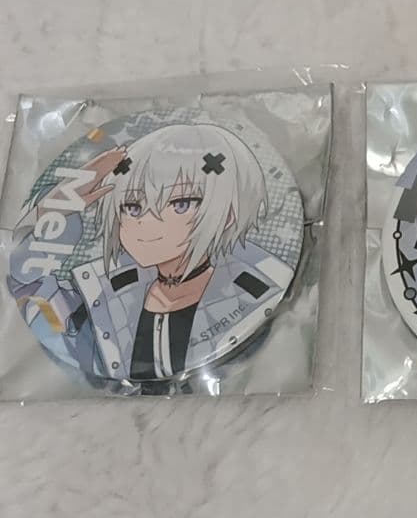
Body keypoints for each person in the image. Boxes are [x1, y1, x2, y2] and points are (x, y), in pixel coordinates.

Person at [8, 123, 292, 381]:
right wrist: (57, 210)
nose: (146, 222)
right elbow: (28, 290)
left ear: (227, 213)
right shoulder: (100, 294)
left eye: (180, 204)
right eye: (132, 207)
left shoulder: (259, 291)